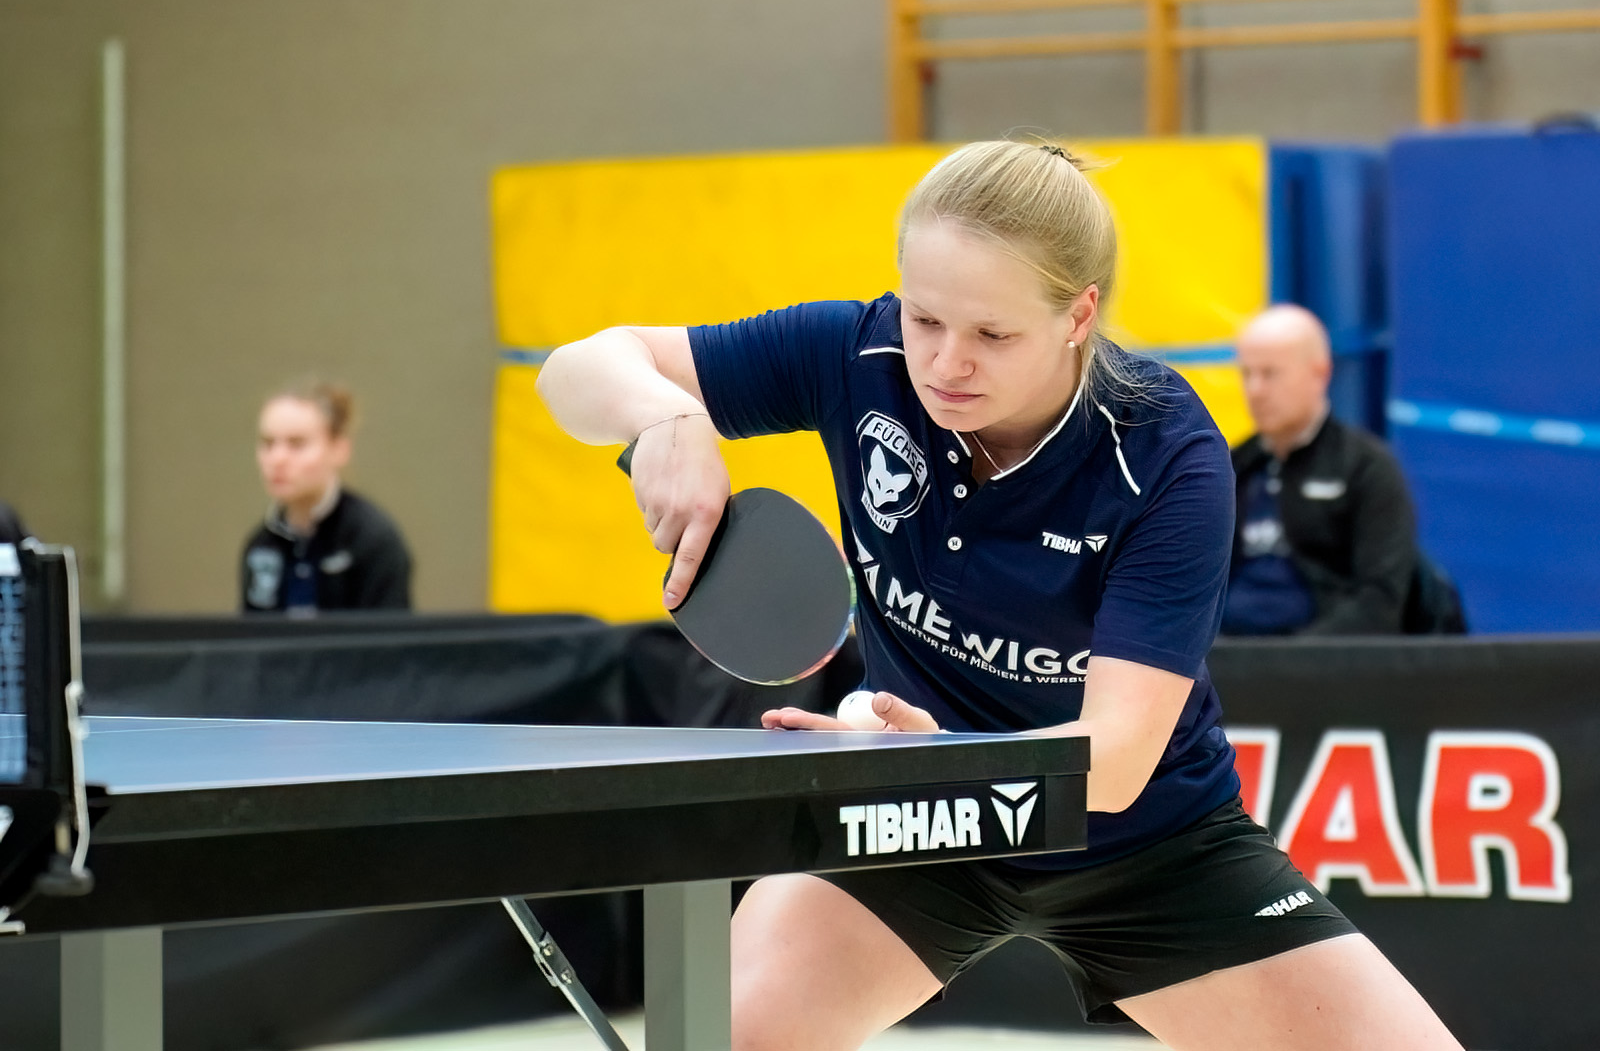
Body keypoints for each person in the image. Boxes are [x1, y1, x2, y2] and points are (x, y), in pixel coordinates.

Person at [537, 140, 1462, 1050]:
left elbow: (1118, 758)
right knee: (719, 1037)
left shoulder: (1165, 454)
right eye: (926, 317)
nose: (944, 363)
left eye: (992, 334)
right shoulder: (856, 355)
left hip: (1147, 844)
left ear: (1078, 315)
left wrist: (942, 759)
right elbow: (574, 370)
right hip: (915, 824)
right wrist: (663, 415)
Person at [1224, 305, 1419, 636]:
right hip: (1225, 664)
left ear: (1320, 374)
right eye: (1247, 374)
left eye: (1270, 374)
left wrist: (1298, 663)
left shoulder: (1366, 468)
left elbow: (1381, 599)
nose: (1255, 390)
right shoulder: (1230, 465)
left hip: (1321, 668)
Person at [241, 379, 412, 614]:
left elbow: (391, 644)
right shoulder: (261, 545)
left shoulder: (373, 540)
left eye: (297, 444)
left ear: (339, 449)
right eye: (268, 443)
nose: (277, 459)